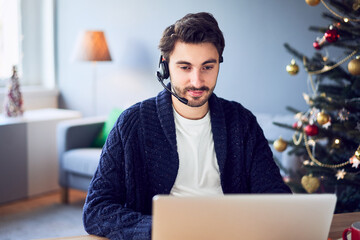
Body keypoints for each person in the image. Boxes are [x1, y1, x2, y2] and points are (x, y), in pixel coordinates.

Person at [83, 12, 291, 240]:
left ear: (218, 64)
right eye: (185, 67)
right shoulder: (132, 123)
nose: (197, 81)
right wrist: (157, 229)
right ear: (165, 67)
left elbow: (276, 197)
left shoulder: (242, 122)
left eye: (207, 67)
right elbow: (96, 209)